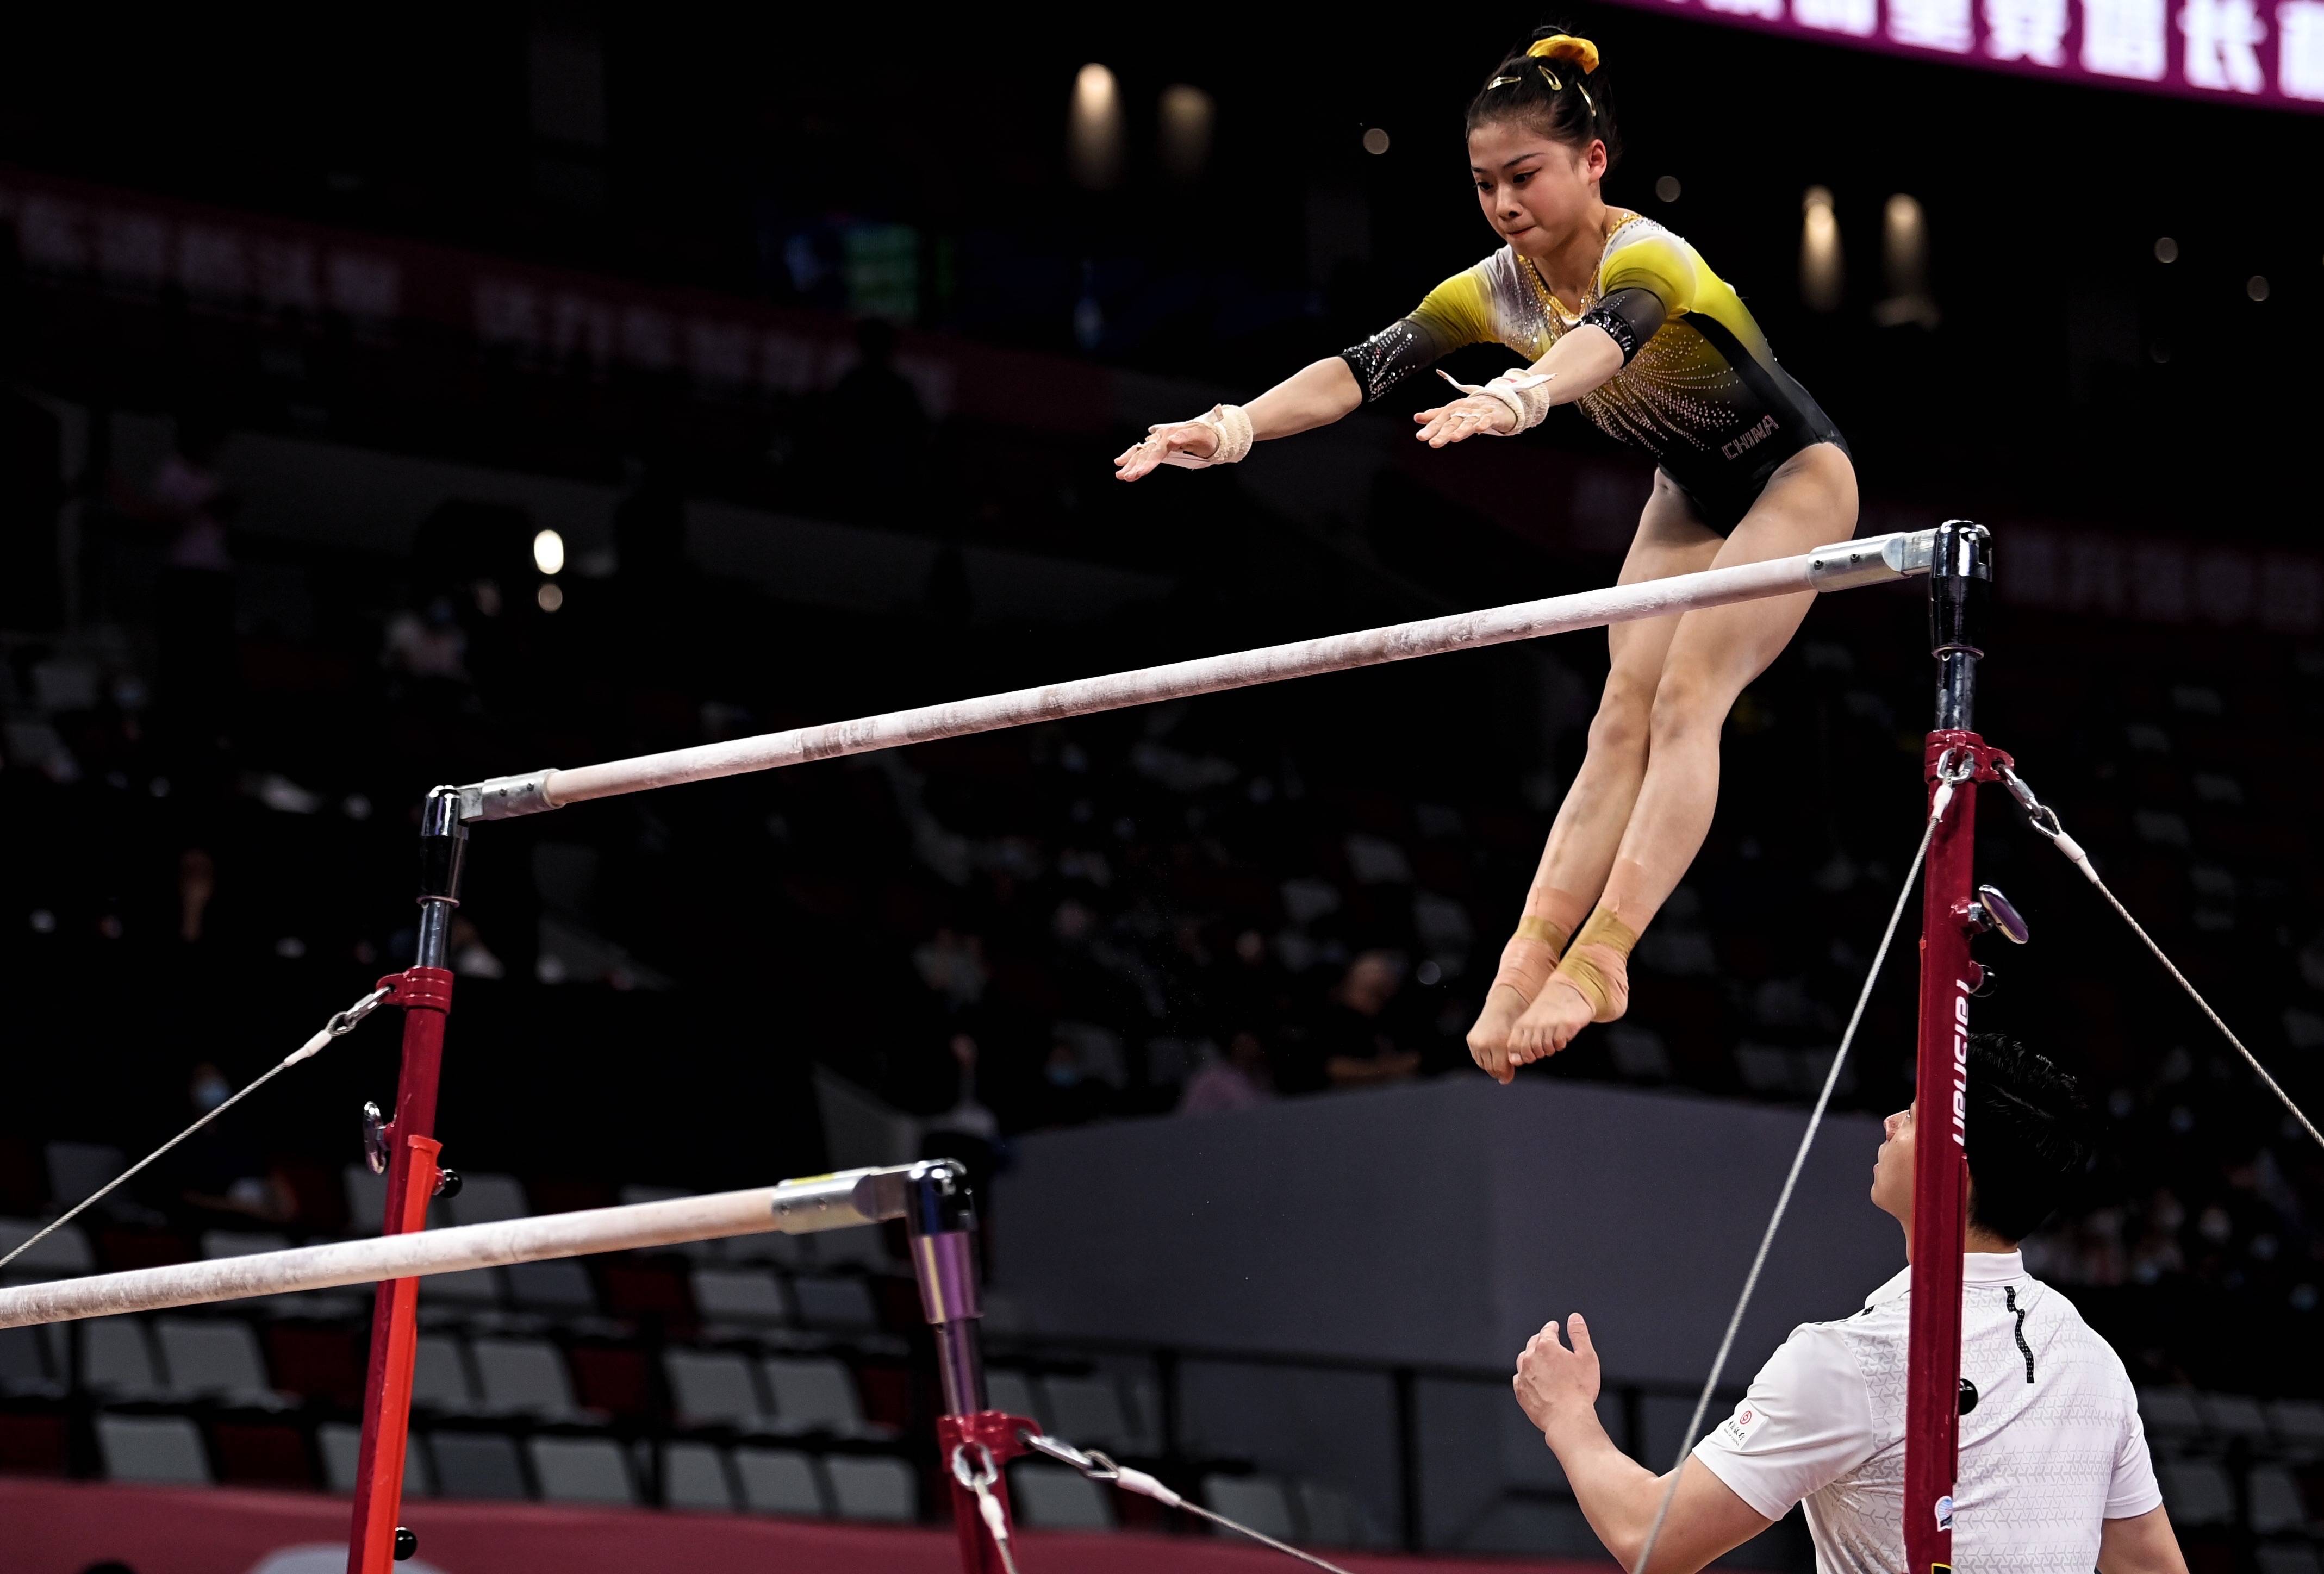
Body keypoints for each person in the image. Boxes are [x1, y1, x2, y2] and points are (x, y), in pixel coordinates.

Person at [1114, 27, 1857, 1078]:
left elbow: (1609, 339)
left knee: (1690, 694)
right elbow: (1358, 369)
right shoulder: (1498, 289)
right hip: (1689, 490)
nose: (1506, 205)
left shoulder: (1652, 257)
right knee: (1616, 717)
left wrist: (1524, 393)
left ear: (1593, 161)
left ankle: (1606, 956)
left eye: (1526, 177)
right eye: (1484, 184)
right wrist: (1229, 428)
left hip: (1794, 477)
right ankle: (1524, 963)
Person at [1507, 1036, 2186, 1574]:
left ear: (1956, 1171)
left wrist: (1568, 1417)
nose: (1891, 1122)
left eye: (1916, 1115)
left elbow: (1651, 1540)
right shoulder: (2092, 1359)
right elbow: (2150, 1565)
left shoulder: (1857, 1360)